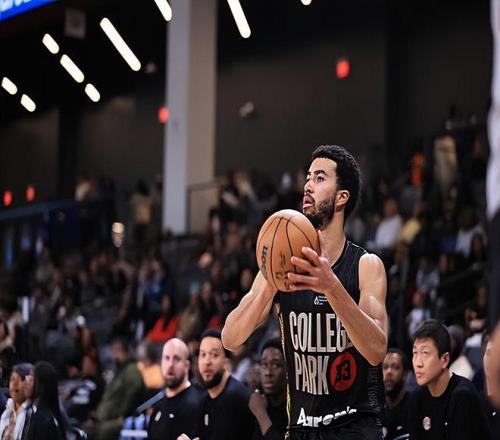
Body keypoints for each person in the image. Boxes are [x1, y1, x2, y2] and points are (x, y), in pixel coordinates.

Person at [223, 145, 388, 439]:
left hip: (354, 428)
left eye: (320, 178)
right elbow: (230, 338)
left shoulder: (366, 266)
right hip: (302, 428)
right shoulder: (281, 267)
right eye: (308, 178)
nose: (308, 185)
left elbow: (376, 351)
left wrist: (331, 286)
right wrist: (271, 283)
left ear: (342, 197)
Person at [408, 319, 491, 439]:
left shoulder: (462, 395)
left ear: (445, 359)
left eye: (425, 353)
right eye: (415, 353)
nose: (418, 363)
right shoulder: (417, 397)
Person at [188, 329, 254, 440]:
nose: (207, 362)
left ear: (226, 362)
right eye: (203, 354)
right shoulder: (204, 400)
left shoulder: (234, 397)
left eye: (214, 355)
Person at [86, 338, 145, 440]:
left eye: (117, 350)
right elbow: (107, 398)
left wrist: (124, 416)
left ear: (126, 352)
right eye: (113, 351)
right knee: (84, 430)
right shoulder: (116, 372)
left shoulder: (131, 370)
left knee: (104, 431)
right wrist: (95, 416)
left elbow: (134, 394)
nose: (114, 354)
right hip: (103, 419)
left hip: (120, 420)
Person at [147, 338, 202, 440]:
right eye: (166, 358)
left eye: (176, 359)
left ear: (187, 365)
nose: (170, 364)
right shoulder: (158, 405)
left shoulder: (196, 404)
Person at [249, 338, 287, 440]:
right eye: (264, 365)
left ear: (288, 370)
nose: (268, 372)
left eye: (276, 365)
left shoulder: (295, 408)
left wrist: (261, 413)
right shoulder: (258, 401)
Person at [25, 361, 66, 440]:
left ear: (41, 386)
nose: (26, 382)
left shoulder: (43, 420)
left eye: (31, 378)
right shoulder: (37, 414)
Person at [381, 349, 410, 440]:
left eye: (396, 367)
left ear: (405, 374)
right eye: (385, 367)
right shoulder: (374, 408)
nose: (389, 372)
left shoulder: (415, 405)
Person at [0, 363, 32, 440]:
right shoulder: (6, 410)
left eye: (20, 380)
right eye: (12, 380)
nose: (14, 384)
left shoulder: (33, 413)